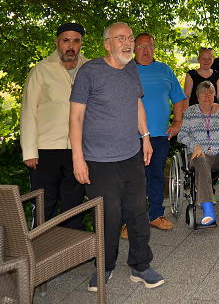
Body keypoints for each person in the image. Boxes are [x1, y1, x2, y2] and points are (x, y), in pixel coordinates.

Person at [69, 22, 164, 291]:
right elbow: (75, 117)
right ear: (107, 43)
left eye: (130, 38)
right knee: (108, 215)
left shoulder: (132, 68)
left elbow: (136, 104)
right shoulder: (90, 72)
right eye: (120, 38)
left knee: (137, 212)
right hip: (99, 160)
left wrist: (145, 137)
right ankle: (104, 266)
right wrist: (78, 158)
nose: (128, 43)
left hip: (131, 154)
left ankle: (141, 266)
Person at [20, 23, 88, 230]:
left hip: (78, 151)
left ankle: (72, 256)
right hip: (45, 151)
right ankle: (39, 255)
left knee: (74, 206)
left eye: (76, 41)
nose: (71, 46)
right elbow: (28, 112)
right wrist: (29, 151)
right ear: (57, 42)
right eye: (66, 40)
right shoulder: (41, 70)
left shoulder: (90, 68)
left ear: (80, 43)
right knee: (43, 206)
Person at [118, 33, 186, 239]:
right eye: (141, 46)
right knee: (131, 180)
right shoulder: (125, 70)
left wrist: (177, 123)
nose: (146, 50)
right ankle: (128, 222)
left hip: (159, 135)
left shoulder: (165, 70)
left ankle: (156, 215)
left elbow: (178, 98)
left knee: (155, 176)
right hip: (131, 136)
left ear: (154, 48)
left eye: (149, 46)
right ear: (133, 48)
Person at [177, 81, 219, 225]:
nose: (207, 96)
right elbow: (181, 135)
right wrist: (194, 145)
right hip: (200, 154)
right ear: (197, 96)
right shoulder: (191, 112)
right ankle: (208, 209)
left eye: (210, 93)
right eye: (203, 93)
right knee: (201, 160)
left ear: (214, 95)